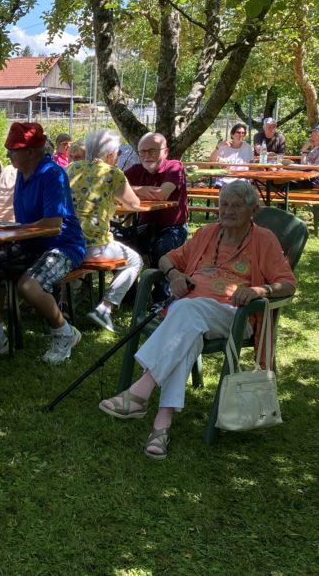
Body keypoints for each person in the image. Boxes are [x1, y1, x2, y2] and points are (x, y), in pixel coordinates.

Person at [97, 181, 296, 460]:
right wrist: (175, 276)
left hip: (236, 316)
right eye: (224, 204)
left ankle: (141, 391)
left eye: (236, 205)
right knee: (187, 326)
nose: (227, 210)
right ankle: (161, 425)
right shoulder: (207, 233)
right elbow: (168, 258)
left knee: (186, 310)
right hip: (191, 317)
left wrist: (258, 290)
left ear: (253, 209)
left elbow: (287, 284)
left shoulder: (264, 240)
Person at [0, 122, 86, 364]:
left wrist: (14, 231)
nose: (8, 154)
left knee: (29, 286)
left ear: (30, 152)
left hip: (62, 247)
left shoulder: (53, 174)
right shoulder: (23, 173)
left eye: (12, 149)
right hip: (31, 243)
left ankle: (65, 332)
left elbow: (53, 224)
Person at [66, 129, 145, 332]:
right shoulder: (112, 174)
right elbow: (134, 204)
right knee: (135, 261)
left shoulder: (71, 168)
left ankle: (66, 307)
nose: (117, 158)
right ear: (110, 155)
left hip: (68, 240)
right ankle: (105, 307)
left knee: (79, 266)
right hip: (95, 244)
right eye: (118, 154)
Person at [123, 133, 189, 285]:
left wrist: (130, 189)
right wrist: (142, 189)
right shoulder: (136, 170)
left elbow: (162, 194)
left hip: (173, 228)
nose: (147, 156)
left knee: (162, 250)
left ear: (165, 152)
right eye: (142, 152)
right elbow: (112, 187)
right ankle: (129, 293)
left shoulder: (174, 166)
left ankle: (161, 298)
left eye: (152, 151)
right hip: (144, 226)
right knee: (124, 246)